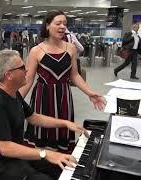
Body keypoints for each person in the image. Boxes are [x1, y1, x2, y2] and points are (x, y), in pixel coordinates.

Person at [0, 49, 89, 180]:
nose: (27, 71)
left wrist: (65, 123)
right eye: (22, 68)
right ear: (9, 75)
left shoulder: (14, 94)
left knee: (61, 166)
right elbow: (5, 148)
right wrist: (45, 153)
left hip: (15, 157)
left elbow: (34, 117)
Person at [19, 10, 106, 153]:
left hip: (64, 97)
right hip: (43, 98)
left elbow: (75, 75)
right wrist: (14, 101)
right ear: (47, 25)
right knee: (42, 135)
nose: (62, 27)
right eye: (58, 23)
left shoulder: (70, 48)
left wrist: (90, 93)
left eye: (65, 24)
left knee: (62, 132)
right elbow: (28, 80)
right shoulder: (36, 50)